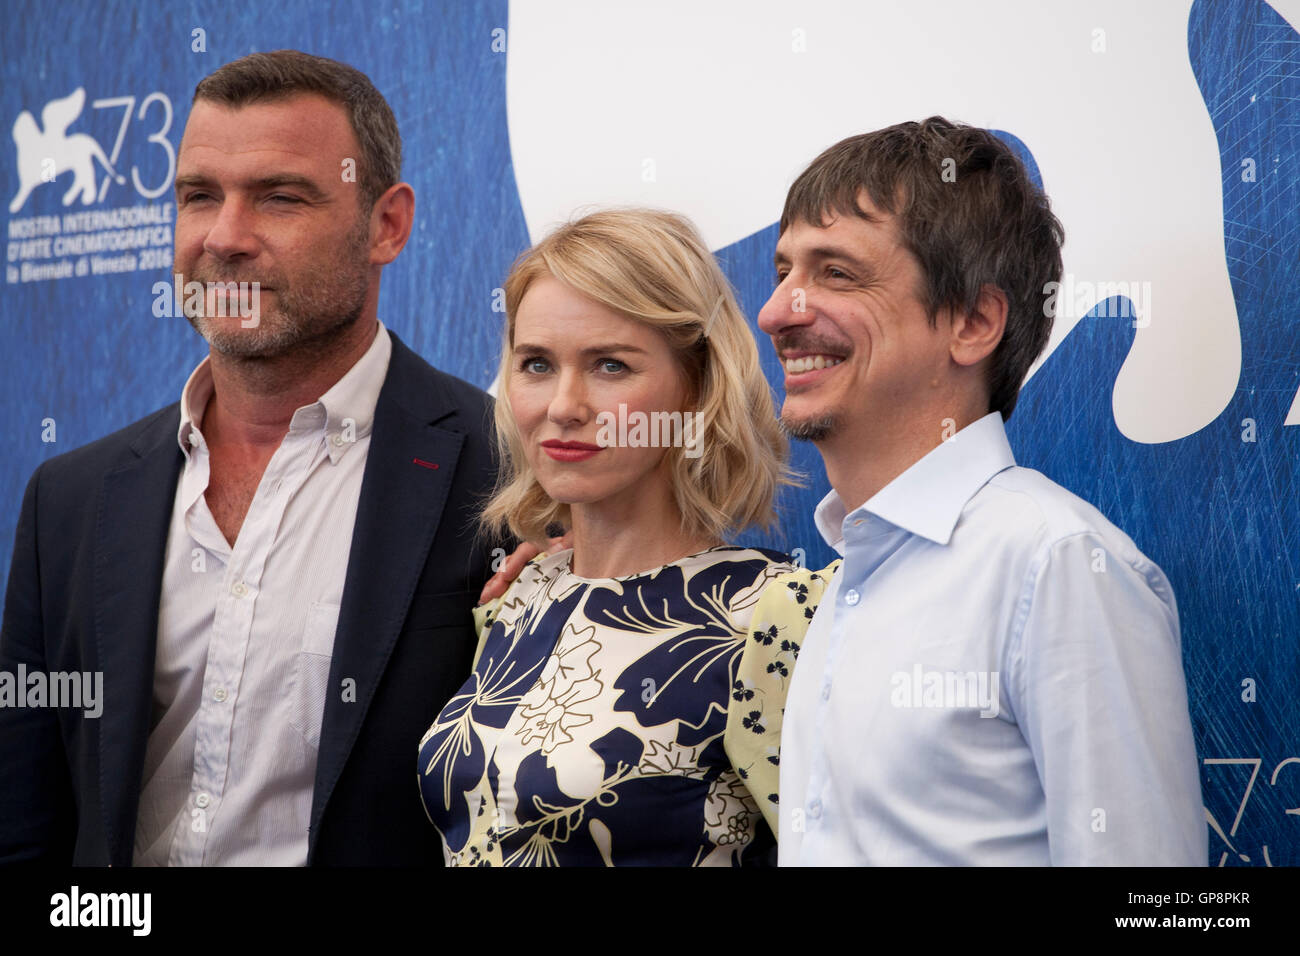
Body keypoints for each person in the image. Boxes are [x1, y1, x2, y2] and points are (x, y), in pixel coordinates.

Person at [0, 50, 499, 865]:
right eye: (199, 196)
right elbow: (26, 828)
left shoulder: (502, 470)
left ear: (387, 225)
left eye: (279, 197)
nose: (225, 238)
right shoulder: (72, 498)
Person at [756, 117, 1205, 865]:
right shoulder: (854, 572)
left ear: (973, 322)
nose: (776, 313)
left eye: (834, 273)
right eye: (783, 274)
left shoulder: (1058, 563)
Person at [417, 208, 826, 866]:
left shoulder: (777, 614)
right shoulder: (522, 596)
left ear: (699, 387)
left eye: (610, 366)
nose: (564, 406)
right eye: (537, 364)